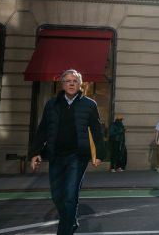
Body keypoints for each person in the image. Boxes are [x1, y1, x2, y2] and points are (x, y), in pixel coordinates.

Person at [30, 69, 105, 235]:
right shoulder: (51, 104)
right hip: (55, 155)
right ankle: (71, 220)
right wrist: (35, 152)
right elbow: (43, 130)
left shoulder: (89, 104)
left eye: (75, 81)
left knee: (70, 195)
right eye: (68, 81)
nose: (71, 83)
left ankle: (64, 231)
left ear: (80, 84)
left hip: (77, 157)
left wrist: (99, 154)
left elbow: (97, 130)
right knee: (57, 196)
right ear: (62, 84)